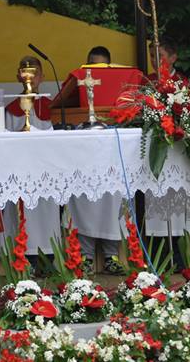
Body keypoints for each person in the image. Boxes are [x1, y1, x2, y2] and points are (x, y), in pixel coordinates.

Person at [68, 46, 124, 274]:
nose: (95, 71)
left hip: (111, 152)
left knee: (113, 197)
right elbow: (65, 108)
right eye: (91, 65)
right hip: (83, 152)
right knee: (82, 198)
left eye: (101, 66)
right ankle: (86, 256)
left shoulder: (119, 88)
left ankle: (112, 256)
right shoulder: (77, 85)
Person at [3, 56, 61, 262]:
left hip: (47, 172)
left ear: (42, 76)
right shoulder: (11, 109)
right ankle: (24, 259)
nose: (31, 77)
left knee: (47, 214)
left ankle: (49, 257)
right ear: (18, 76)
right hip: (21, 173)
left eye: (35, 73)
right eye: (26, 72)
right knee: (23, 217)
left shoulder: (53, 107)